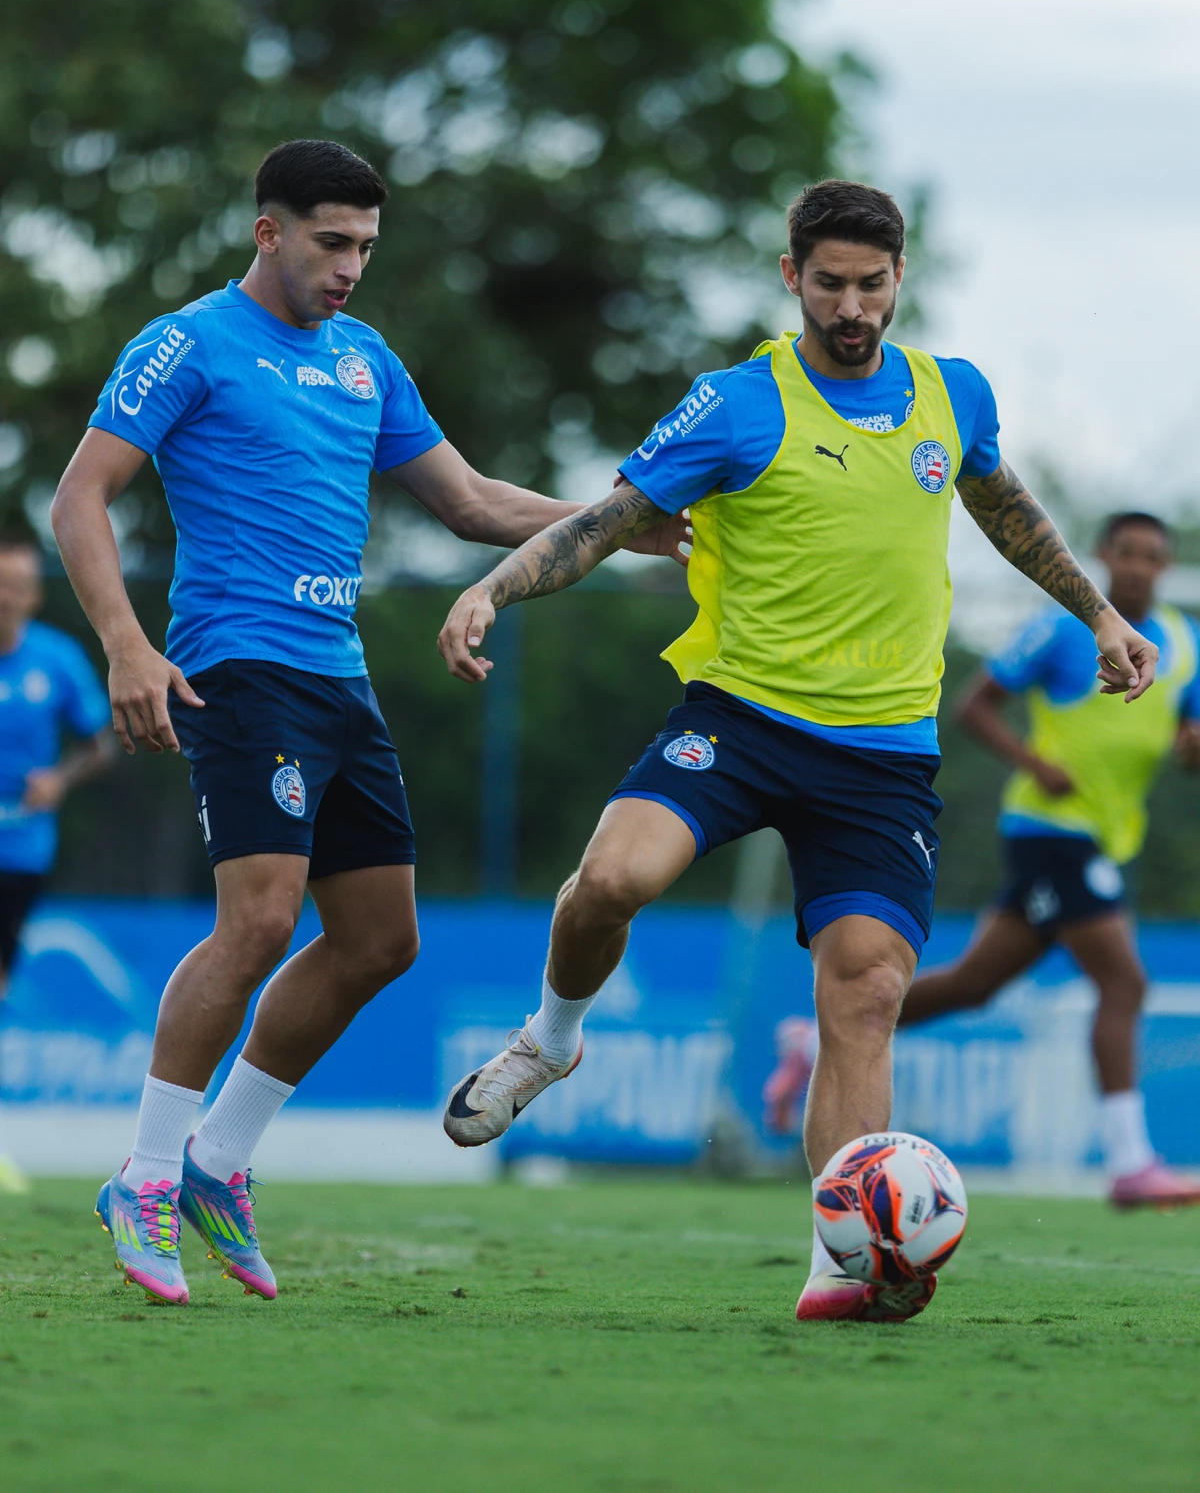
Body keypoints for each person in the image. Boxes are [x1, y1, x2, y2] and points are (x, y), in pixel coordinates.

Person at [436, 179, 1156, 1324]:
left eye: (873, 284)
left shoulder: (951, 395)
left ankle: (843, 1261)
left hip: (881, 759)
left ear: (899, 280)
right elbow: (606, 522)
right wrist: (495, 586)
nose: (853, 305)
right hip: (739, 722)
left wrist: (1104, 619)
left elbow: (1010, 514)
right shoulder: (736, 402)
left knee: (867, 991)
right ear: (792, 278)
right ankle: (552, 1039)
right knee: (614, 880)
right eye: (831, 283)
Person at [51, 139, 685, 1306]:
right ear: (269, 233)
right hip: (236, 670)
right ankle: (141, 1176)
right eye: (332, 243)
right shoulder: (188, 343)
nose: (350, 268)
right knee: (259, 921)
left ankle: (219, 1162)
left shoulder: (363, 359)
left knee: (381, 942)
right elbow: (78, 495)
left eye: (366, 249)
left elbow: (473, 501)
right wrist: (127, 643)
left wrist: (617, 523)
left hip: (339, 683)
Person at [897, 512, 1200, 1206]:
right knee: (1123, 984)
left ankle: (816, 1040)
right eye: (1126, 554)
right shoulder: (1070, 626)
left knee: (975, 985)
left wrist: (1192, 751)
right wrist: (1037, 762)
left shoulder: (1186, 642)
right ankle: (1129, 1164)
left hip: (1104, 836)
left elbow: (1192, 738)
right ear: (1103, 555)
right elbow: (976, 706)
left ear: (1165, 564)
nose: (1138, 568)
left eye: (1153, 557)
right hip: (1049, 827)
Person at [0, 534, 114, 1193]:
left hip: (19, 854)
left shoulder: (57, 660)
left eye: (17, 584)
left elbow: (101, 742)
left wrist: (61, 781)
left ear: (34, 593)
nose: (6, 596)